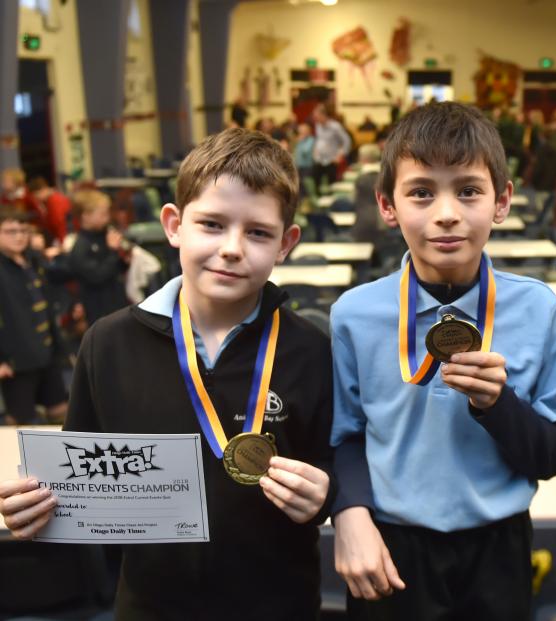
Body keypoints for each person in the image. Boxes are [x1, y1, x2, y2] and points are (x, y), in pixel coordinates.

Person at [0, 128, 335, 619]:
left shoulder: (311, 349)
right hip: (151, 604)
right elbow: (79, 484)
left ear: (286, 243)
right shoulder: (108, 344)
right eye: (212, 225)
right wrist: (38, 510)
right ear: (174, 225)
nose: (232, 248)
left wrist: (327, 495)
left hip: (279, 601)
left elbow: (337, 463)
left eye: (258, 232)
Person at [330, 102, 556, 620]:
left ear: (501, 201)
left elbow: (552, 456)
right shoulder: (354, 314)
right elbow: (345, 435)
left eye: (468, 190)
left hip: (498, 546)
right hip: (390, 545)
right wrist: (350, 514)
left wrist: (497, 404)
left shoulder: (537, 308)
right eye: (421, 192)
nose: (446, 213)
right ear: (387, 205)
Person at [0, 209, 68, 425]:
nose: (19, 236)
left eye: (23, 230)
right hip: (16, 360)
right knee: (19, 421)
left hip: (46, 351)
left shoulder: (32, 260)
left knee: (61, 412)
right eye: (10, 231)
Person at [68, 189, 130, 325]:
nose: (107, 218)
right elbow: (97, 276)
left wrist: (124, 257)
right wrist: (113, 252)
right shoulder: (81, 247)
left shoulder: (105, 234)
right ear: (86, 216)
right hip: (100, 312)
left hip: (118, 302)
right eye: (102, 214)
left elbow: (117, 268)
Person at [312, 103, 352, 195]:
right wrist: (315, 150)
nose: (314, 118)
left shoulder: (335, 126)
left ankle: (332, 203)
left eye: (316, 115)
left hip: (331, 160)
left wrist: (340, 155)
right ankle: (320, 202)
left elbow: (347, 141)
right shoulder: (318, 126)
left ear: (323, 115)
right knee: (316, 180)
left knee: (332, 184)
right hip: (319, 159)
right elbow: (319, 139)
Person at [27, 176, 72, 243]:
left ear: (42, 190)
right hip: (62, 236)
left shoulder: (55, 201)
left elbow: (59, 223)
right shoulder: (50, 200)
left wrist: (62, 242)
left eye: (36, 195)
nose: (36, 199)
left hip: (64, 237)